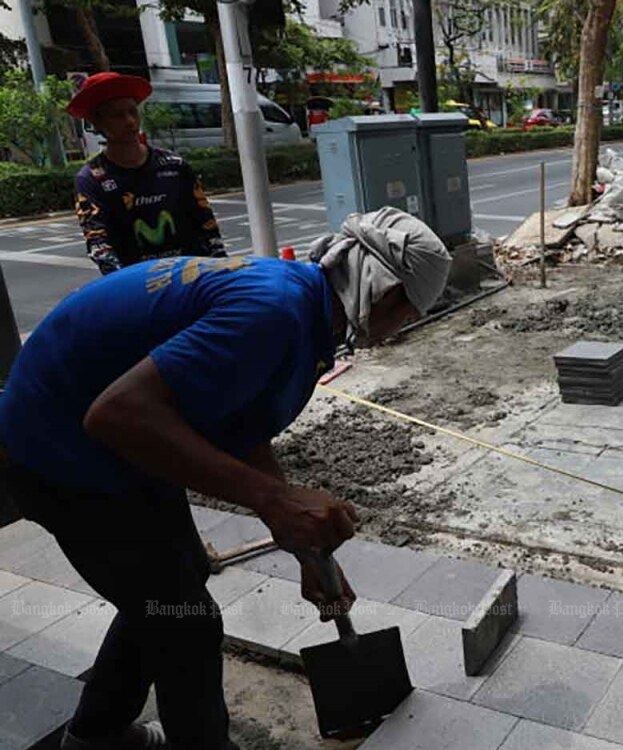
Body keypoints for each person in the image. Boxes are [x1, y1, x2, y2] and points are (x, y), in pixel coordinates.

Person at [0, 208, 451, 749]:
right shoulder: (275, 313)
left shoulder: (302, 309)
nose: (402, 329)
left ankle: (97, 736)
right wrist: (274, 497)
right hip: (59, 452)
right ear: (389, 297)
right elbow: (114, 414)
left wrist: (309, 553)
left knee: (173, 589)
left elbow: (241, 422)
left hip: (120, 451)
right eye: (411, 314)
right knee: (185, 622)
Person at [67, 72, 225, 274]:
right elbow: (99, 245)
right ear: (97, 123)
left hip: (191, 278)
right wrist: (127, 286)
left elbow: (207, 227)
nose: (130, 121)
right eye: (118, 115)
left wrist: (220, 271)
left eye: (133, 112)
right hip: (139, 285)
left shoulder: (175, 165)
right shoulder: (91, 179)